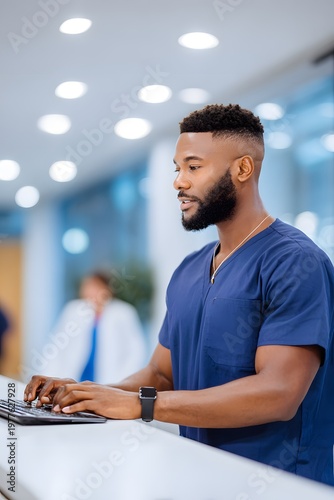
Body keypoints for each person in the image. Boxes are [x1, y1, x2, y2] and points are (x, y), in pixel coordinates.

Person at [24, 104, 334, 486]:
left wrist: (142, 404)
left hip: (280, 485)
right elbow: (161, 373)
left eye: (193, 166)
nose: (178, 182)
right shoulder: (190, 269)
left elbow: (279, 392)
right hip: (196, 474)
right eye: (177, 168)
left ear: (242, 169)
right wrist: (85, 394)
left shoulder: (295, 263)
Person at [36, 271, 146, 384]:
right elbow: (56, 346)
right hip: (74, 377)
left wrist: (123, 381)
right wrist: (48, 376)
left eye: (95, 287)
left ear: (107, 289)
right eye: (86, 287)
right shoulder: (73, 310)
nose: (89, 291)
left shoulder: (123, 313)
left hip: (112, 380)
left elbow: (136, 352)